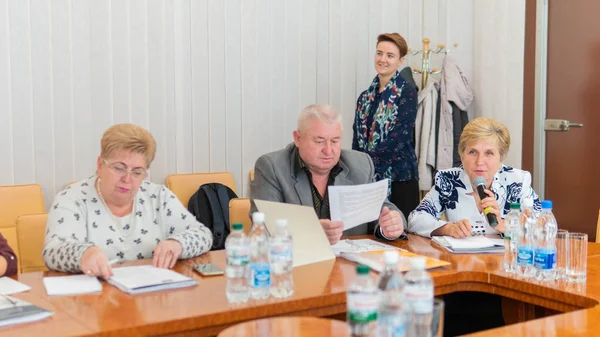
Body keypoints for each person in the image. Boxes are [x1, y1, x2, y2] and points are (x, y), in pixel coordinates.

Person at [43, 124, 213, 279]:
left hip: (149, 298)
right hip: (95, 301)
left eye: (137, 172)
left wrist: (178, 244)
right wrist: (83, 254)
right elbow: (53, 251)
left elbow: (203, 234)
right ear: (100, 164)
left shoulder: (158, 196)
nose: (127, 179)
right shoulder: (72, 198)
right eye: (119, 168)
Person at [250, 104, 406, 245]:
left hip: (350, 269)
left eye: (335, 141)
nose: (328, 150)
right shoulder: (272, 167)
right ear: (298, 138)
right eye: (319, 141)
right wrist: (312, 233)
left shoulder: (360, 165)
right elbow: (263, 229)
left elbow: (384, 210)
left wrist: (391, 225)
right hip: (297, 269)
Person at [408, 117, 541, 238]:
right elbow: (416, 220)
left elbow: (542, 225)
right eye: (473, 152)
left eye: (489, 153)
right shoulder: (448, 180)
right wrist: (447, 228)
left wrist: (503, 225)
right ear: (462, 155)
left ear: (501, 158)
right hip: (462, 261)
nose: (479, 161)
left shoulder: (517, 181)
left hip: (505, 260)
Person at [352, 33, 419, 219]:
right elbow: (356, 138)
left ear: (400, 60)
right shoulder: (364, 97)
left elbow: (400, 136)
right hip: (368, 178)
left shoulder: (407, 92)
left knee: (402, 237)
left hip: (400, 177)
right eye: (379, 53)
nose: (383, 59)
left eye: (390, 56)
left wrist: (370, 165)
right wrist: (357, 167)